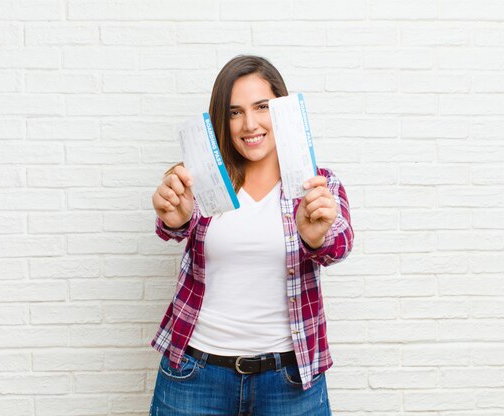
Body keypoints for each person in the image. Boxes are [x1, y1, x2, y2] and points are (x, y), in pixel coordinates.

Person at [149, 55, 354, 416]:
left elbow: (340, 244)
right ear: (222, 121)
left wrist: (315, 238)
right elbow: (172, 226)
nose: (250, 124)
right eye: (234, 112)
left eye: (262, 107)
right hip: (195, 375)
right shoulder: (204, 179)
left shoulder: (317, 183)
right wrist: (176, 217)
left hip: (290, 380)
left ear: (283, 110)